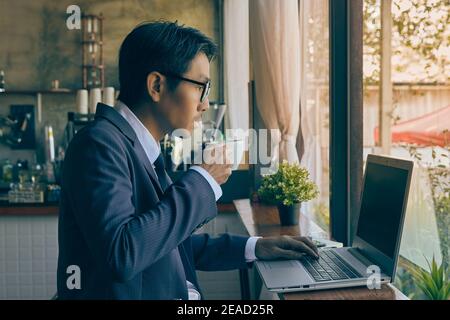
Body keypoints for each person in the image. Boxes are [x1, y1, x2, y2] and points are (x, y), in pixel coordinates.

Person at [57, 21, 318, 300]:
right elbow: (123, 252)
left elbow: (167, 243)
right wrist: (203, 180)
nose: (205, 104)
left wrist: (257, 248)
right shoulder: (98, 144)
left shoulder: (140, 147)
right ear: (156, 85)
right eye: (201, 88)